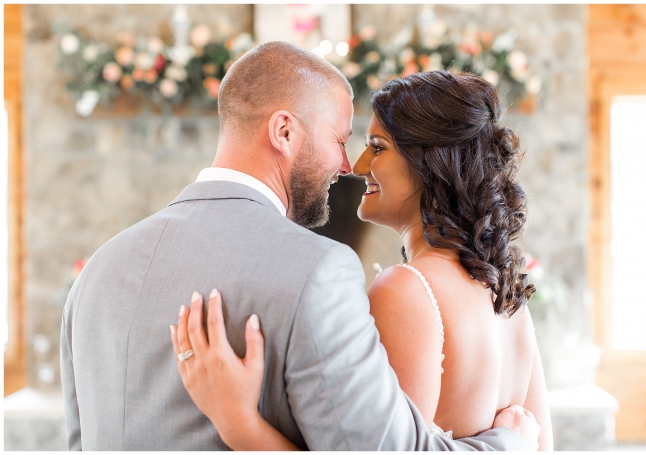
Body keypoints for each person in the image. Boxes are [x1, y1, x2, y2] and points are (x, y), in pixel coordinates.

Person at [61, 41, 537, 450]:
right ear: (284, 131)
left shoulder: (96, 274)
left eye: (373, 144)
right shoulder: (321, 271)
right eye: (340, 138)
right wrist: (508, 443)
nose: (348, 164)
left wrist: (244, 424)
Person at [170, 70, 553, 450]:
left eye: (378, 146)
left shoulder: (409, 291)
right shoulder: (507, 298)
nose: (357, 165)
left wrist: (238, 421)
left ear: (430, 163)